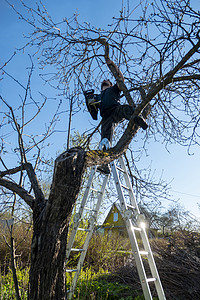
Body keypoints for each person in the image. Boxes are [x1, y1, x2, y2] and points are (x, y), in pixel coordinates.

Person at [97, 59, 148, 174]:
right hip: (106, 117)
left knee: (125, 109)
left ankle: (138, 119)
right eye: (103, 82)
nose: (104, 81)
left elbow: (121, 80)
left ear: (110, 84)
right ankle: (105, 165)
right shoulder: (99, 96)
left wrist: (113, 65)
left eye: (107, 81)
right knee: (105, 140)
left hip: (115, 110)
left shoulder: (113, 89)